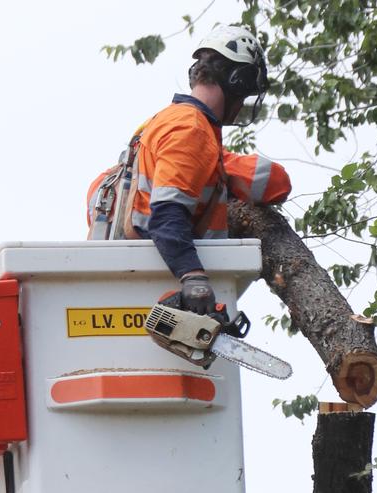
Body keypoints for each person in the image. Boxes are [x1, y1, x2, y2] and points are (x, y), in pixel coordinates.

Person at [87, 25, 291, 314]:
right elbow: (167, 215)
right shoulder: (191, 130)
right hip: (159, 274)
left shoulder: (170, 123)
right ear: (238, 80)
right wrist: (192, 276)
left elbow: (276, 183)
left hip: (134, 276)